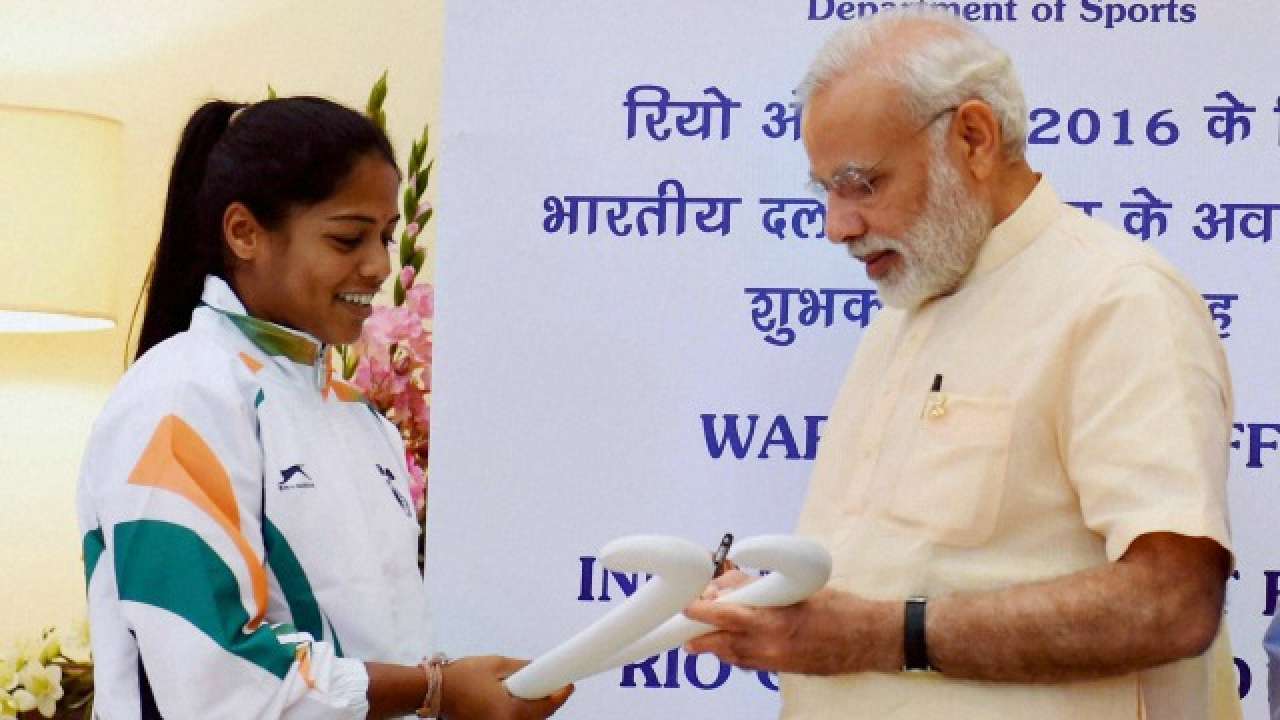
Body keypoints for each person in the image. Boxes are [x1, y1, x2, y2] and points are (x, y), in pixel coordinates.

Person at [683, 11, 1238, 719]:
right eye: (824, 190)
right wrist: (774, 609)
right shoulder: (905, 309)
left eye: (861, 183)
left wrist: (877, 637)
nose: (837, 225)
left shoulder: (1118, 300)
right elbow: (905, 576)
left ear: (973, 139)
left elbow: (1171, 605)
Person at [76, 97, 572, 719]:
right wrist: (436, 690)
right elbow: (215, 679)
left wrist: (446, 687)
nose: (379, 266)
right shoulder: (179, 397)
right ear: (244, 232)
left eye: (387, 236)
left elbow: (379, 642)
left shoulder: (357, 417)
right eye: (348, 238)